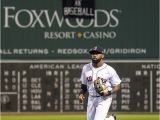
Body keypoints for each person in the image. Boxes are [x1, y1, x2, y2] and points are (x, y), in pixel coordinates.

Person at [79, 46, 121, 120]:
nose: (94, 55)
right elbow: (84, 84)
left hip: (104, 99)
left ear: (102, 55)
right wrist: (81, 94)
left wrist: (109, 92)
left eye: (97, 53)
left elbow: (117, 85)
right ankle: (111, 119)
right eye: (93, 53)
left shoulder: (109, 69)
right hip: (91, 98)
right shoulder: (86, 68)